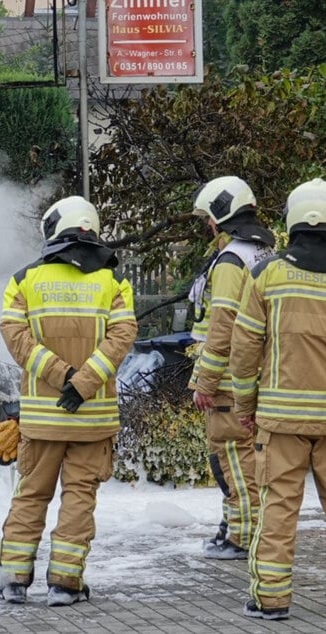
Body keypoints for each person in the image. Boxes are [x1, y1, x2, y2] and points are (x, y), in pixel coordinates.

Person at [0, 195, 137, 606]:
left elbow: (16, 339)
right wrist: (84, 382)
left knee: (30, 496)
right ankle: (65, 584)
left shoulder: (24, 280)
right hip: (92, 420)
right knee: (79, 499)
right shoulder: (114, 282)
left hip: (42, 420)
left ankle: (13, 582)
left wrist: (61, 377)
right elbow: (122, 337)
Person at [229, 177, 326, 621]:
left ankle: (270, 599)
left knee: (279, 509)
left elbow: (245, 350)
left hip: (282, 421)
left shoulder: (267, 273)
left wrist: (245, 410)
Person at [187, 176, 275, 559]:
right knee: (247, 455)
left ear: (221, 215)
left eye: (209, 217)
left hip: (224, 378)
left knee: (229, 457)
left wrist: (205, 381)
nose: (208, 225)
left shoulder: (230, 260)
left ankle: (241, 534)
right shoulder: (264, 252)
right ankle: (236, 525)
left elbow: (222, 326)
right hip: (256, 371)